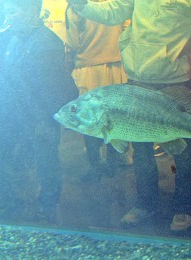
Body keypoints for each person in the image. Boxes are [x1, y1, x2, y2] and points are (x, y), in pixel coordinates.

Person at [69, 0, 191, 231]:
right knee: (141, 149)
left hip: (175, 78)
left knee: (183, 149)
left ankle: (184, 208)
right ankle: (146, 204)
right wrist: (83, 5)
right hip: (138, 78)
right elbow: (114, 10)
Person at [0, 0, 78, 223]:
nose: (8, 17)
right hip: (15, 116)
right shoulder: (13, 37)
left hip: (40, 118)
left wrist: (46, 120)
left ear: (32, 11)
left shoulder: (47, 44)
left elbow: (57, 89)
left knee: (46, 163)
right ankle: (12, 199)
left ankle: (48, 208)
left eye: (12, 11)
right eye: (6, 12)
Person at [65, 1, 127, 180]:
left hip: (88, 69)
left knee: (88, 119)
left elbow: (73, 42)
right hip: (117, 67)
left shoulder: (77, 5)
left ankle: (95, 168)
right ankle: (113, 164)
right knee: (115, 118)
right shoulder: (115, 3)